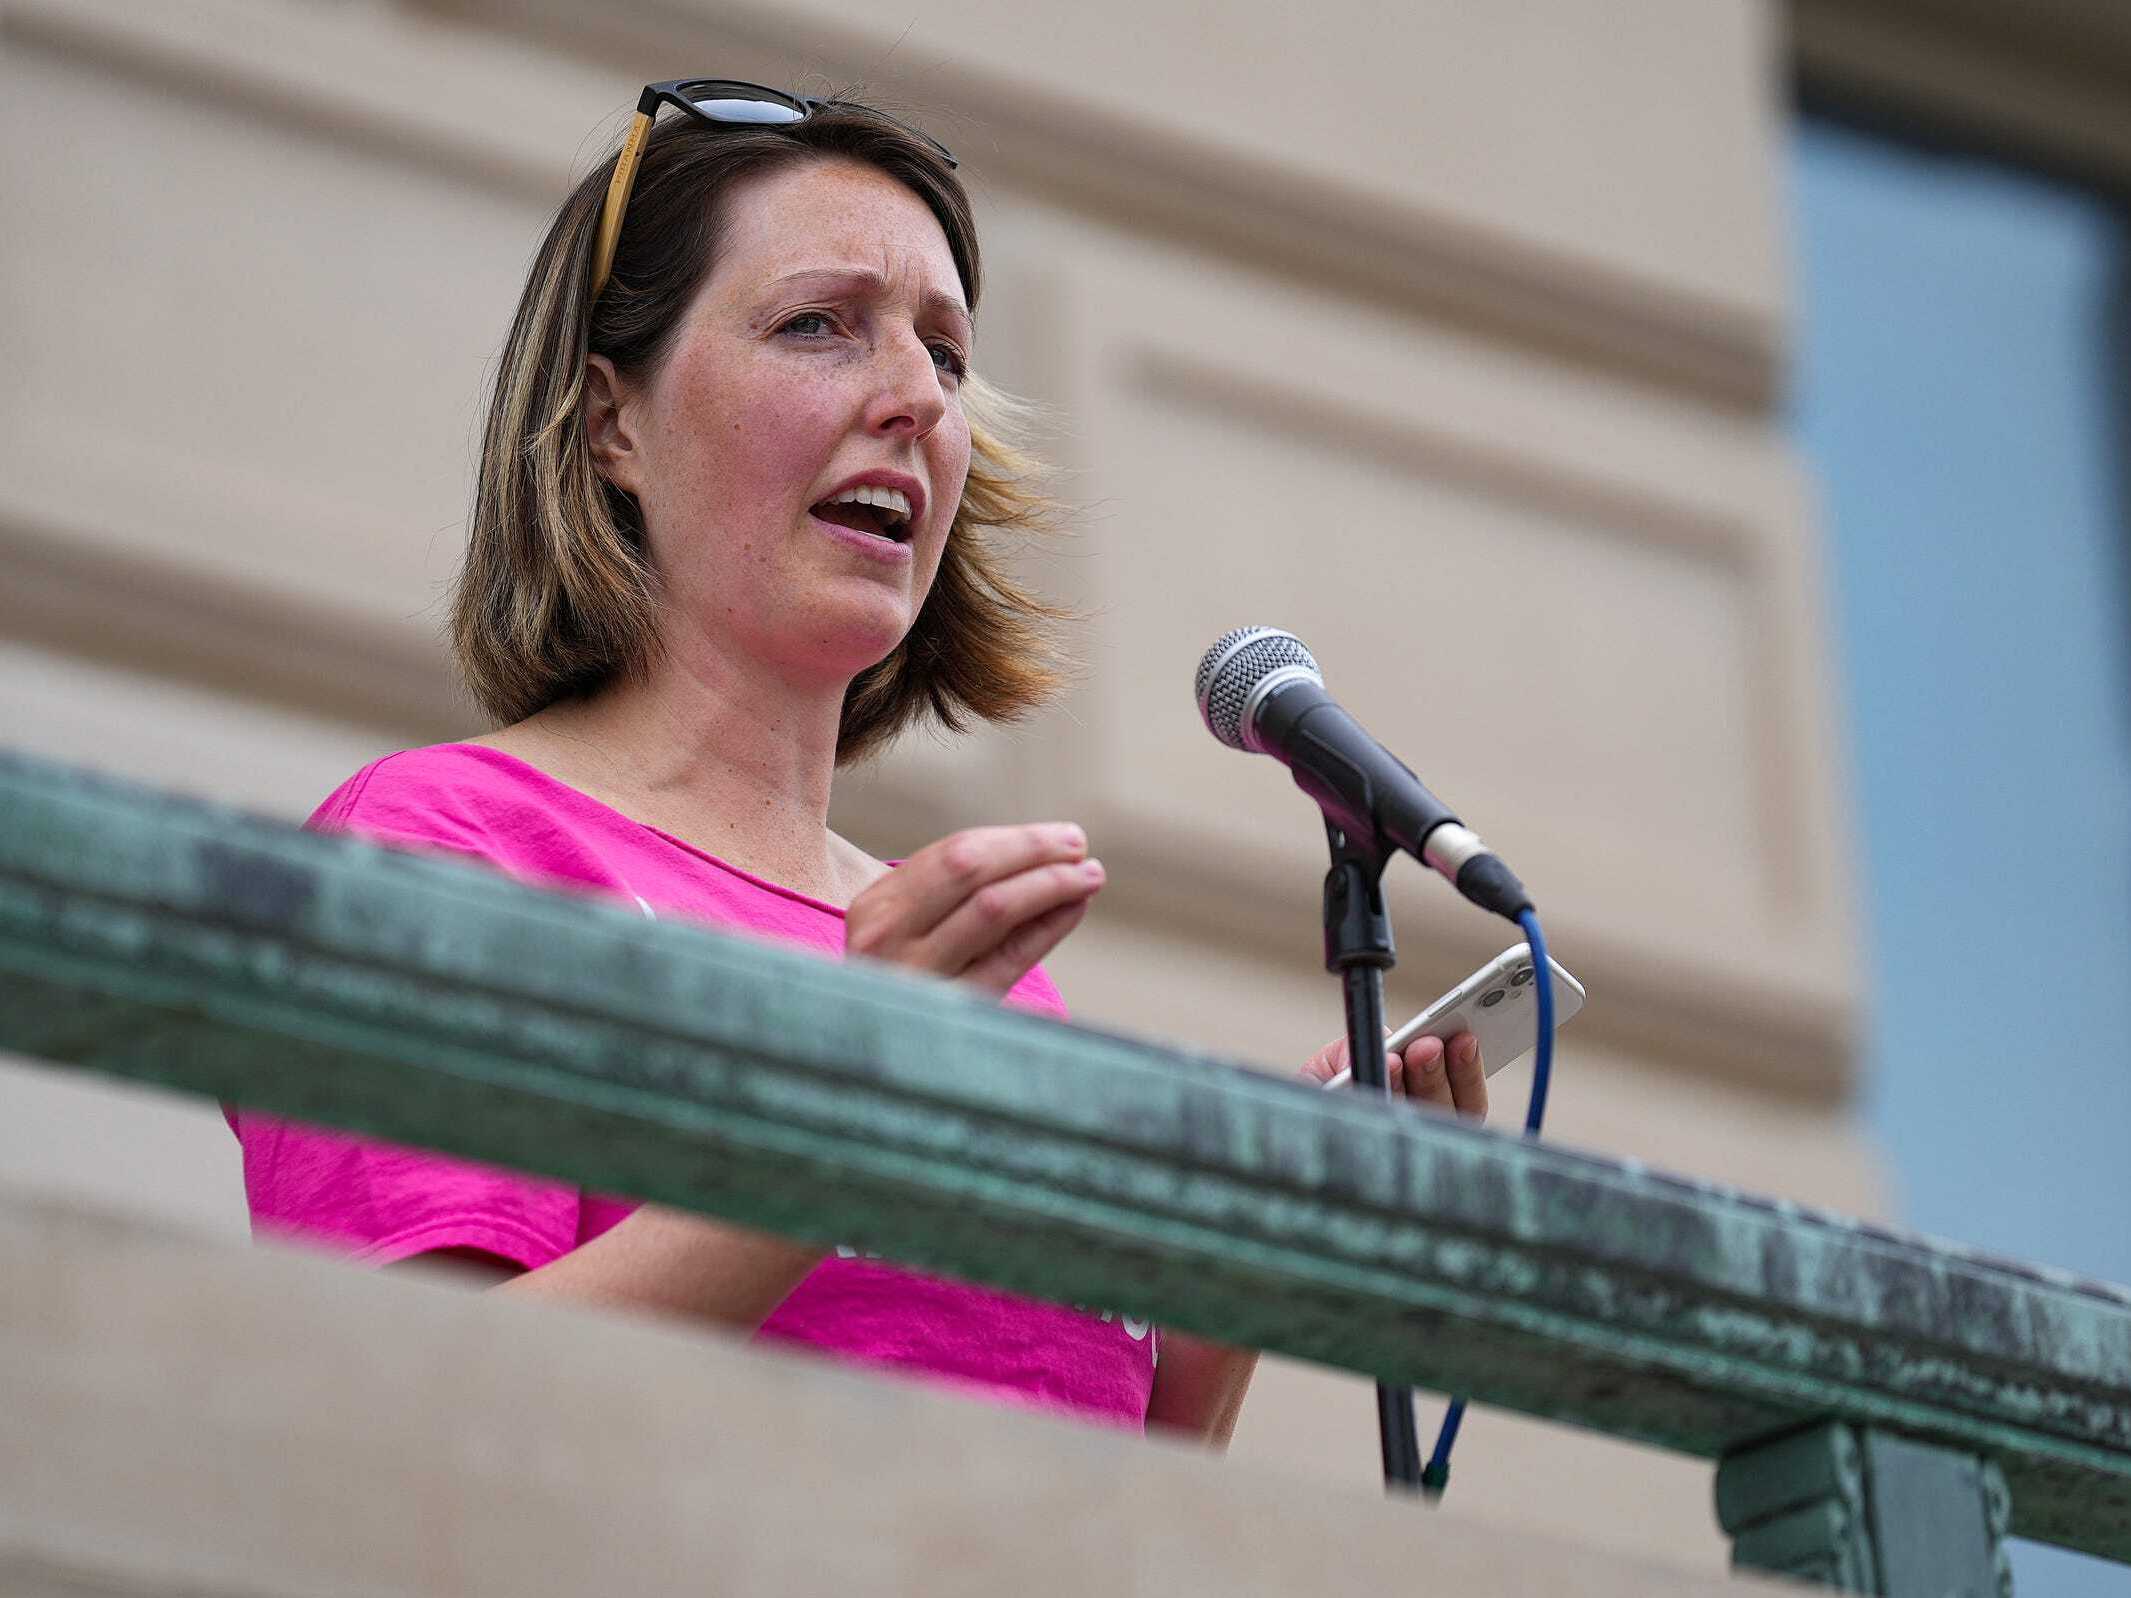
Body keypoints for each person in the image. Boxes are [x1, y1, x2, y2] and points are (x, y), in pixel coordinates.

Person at [226, 80, 1489, 1446]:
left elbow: (1091, 1476)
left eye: (944, 354)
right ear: (611, 423)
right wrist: (839, 1111)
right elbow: (405, 1418)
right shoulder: (442, 844)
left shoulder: (976, 970)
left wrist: (1260, 1260)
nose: (914, 401)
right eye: (819, 325)